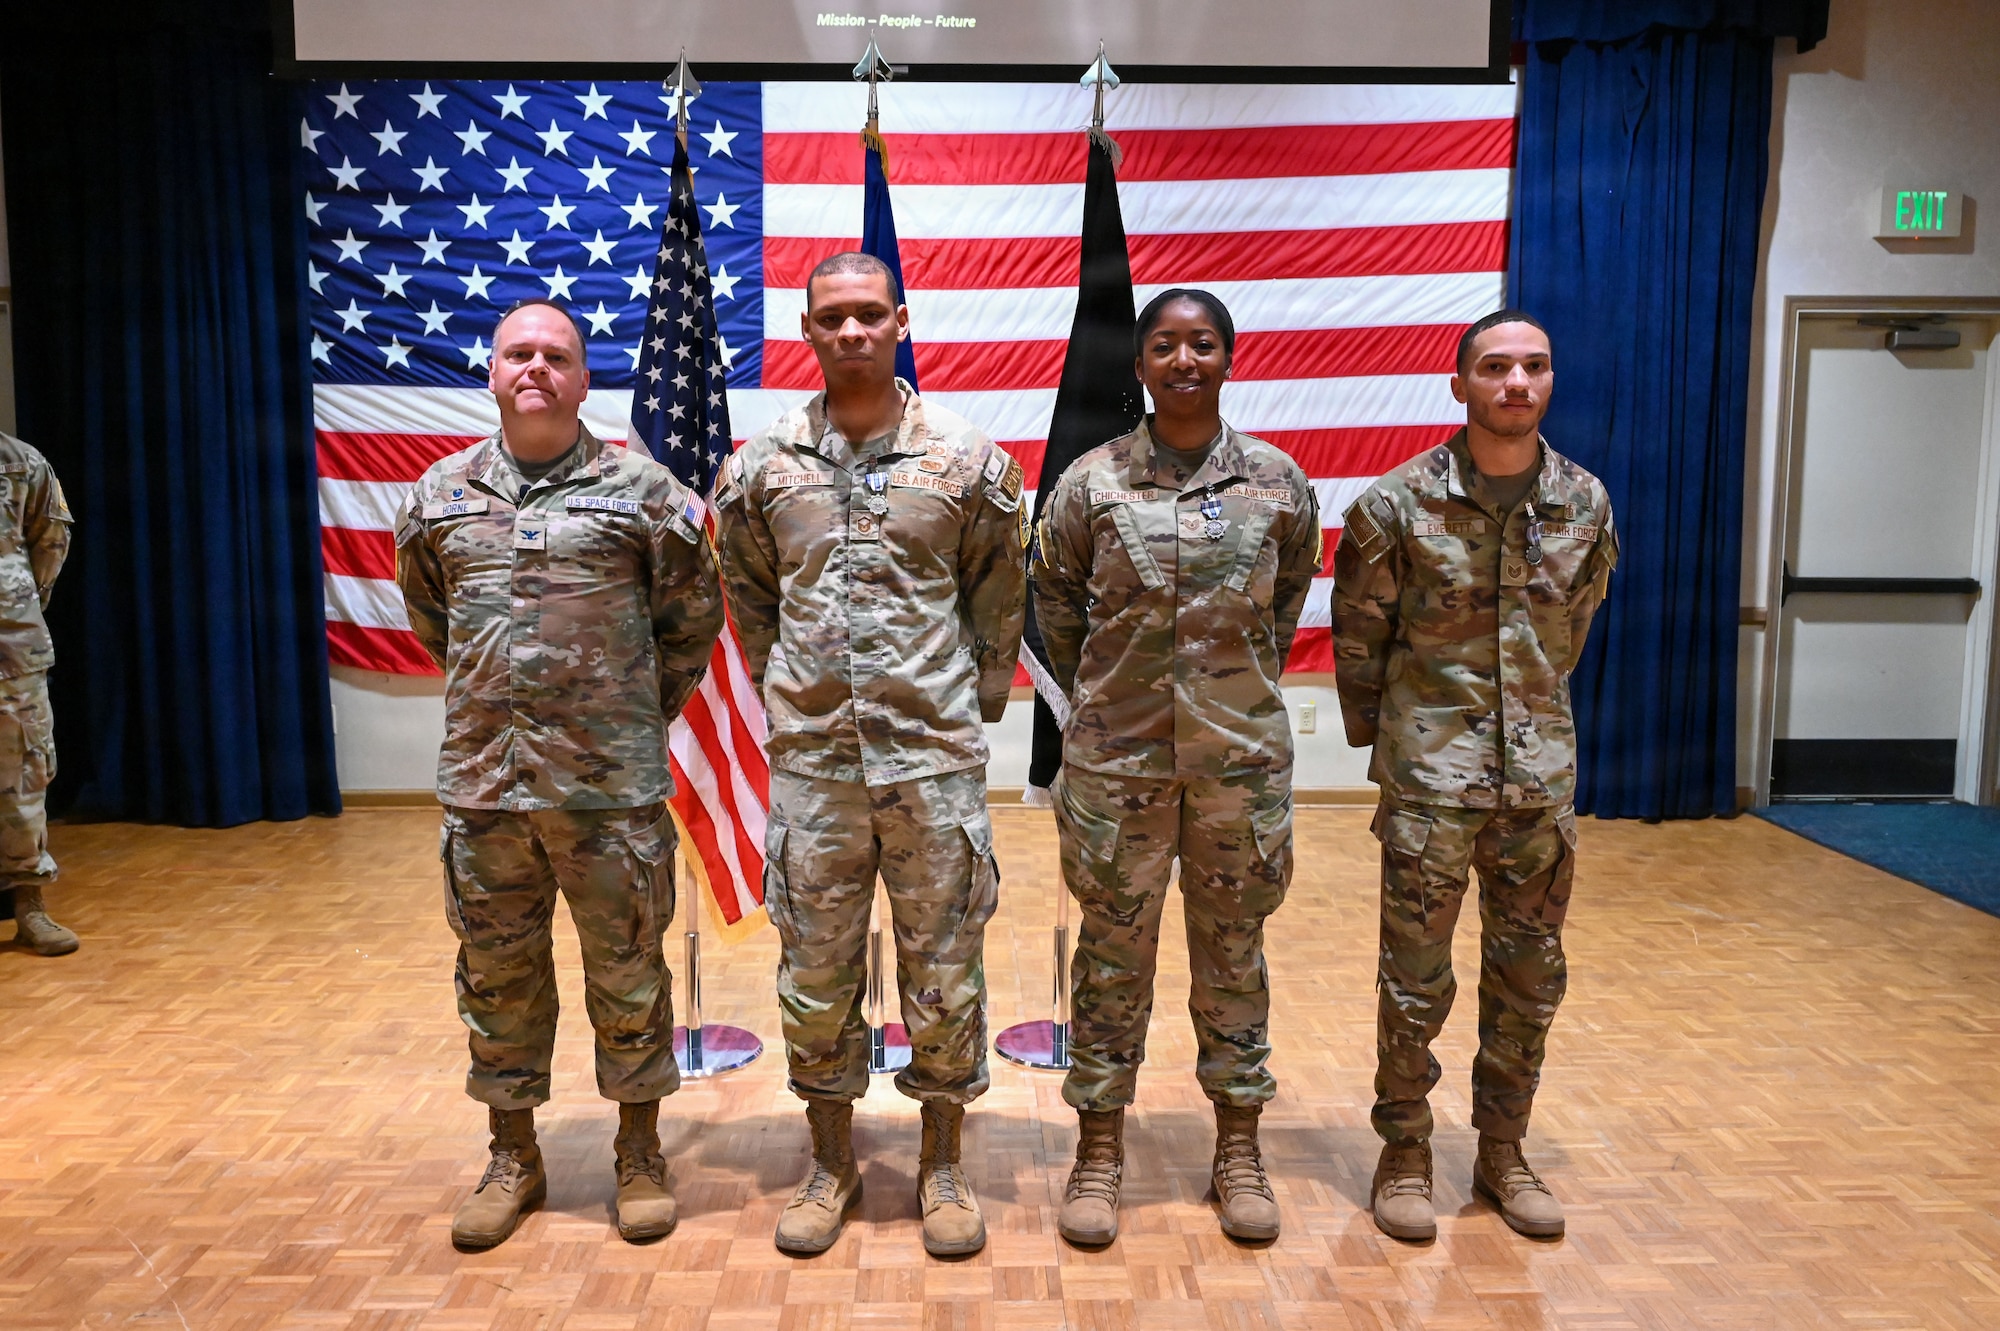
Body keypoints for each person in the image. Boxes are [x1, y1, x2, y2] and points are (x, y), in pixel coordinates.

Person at [711, 252, 1026, 1258]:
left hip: (931, 761)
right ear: (806, 330)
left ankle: (940, 1160)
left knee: (945, 968)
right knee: (814, 969)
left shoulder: (967, 460)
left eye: (866, 316)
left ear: (898, 321)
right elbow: (752, 601)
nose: (849, 332)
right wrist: (794, 696)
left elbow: (996, 598)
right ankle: (830, 1157)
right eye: (829, 318)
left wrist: (960, 707)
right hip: (814, 768)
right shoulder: (763, 468)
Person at [396, 298, 724, 1249]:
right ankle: (513, 1154)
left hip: (608, 790)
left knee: (628, 972)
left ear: (584, 378)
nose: (535, 368)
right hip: (487, 789)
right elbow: (435, 624)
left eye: (556, 356)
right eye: (517, 354)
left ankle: (638, 1150)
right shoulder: (439, 495)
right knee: (497, 975)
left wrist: (623, 714)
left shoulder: (644, 492)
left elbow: (688, 621)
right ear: (492, 372)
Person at [1031, 289, 1322, 1246]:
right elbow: (1062, 614)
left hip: (1237, 767)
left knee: (1234, 957)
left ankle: (1238, 1146)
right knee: (1112, 960)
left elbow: (1278, 617)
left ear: (1229, 357)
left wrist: (1221, 698)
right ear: (1143, 362)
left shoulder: (1278, 483)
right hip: (1118, 771)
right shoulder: (1089, 484)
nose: (1185, 359)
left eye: (1203, 343)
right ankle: (1100, 1145)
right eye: (1166, 344)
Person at [1331, 310, 1617, 1243]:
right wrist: (1397, 746)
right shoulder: (1396, 504)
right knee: (1414, 979)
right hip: (1429, 784)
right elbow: (1361, 640)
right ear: (1460, 384)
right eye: (1495, 367)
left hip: (1538, 787)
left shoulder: (1584, 502)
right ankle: (1404, 1151)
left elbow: (1571, 627)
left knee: (1530, 976)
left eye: (1535, 366)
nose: (1516, 383)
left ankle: (1503, 1149)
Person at [0, 432, 75, 957]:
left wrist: (20, 606)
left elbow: (50, 540)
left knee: (24, 772)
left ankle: (30, 906)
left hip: (12, 649)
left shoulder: (19, 461)